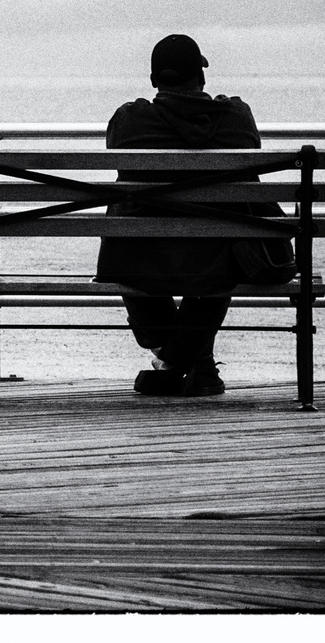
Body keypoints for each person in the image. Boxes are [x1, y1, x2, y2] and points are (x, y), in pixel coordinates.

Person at [94, 34, 293, 398]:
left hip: (142, 256)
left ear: (154, 80)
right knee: (220, 262)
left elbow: (116, 150)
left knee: (124, 250)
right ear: (201, 76)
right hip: (218, 256)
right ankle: (194, 365)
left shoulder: (129, 121)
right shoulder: (237, 118)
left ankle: (173, 361)